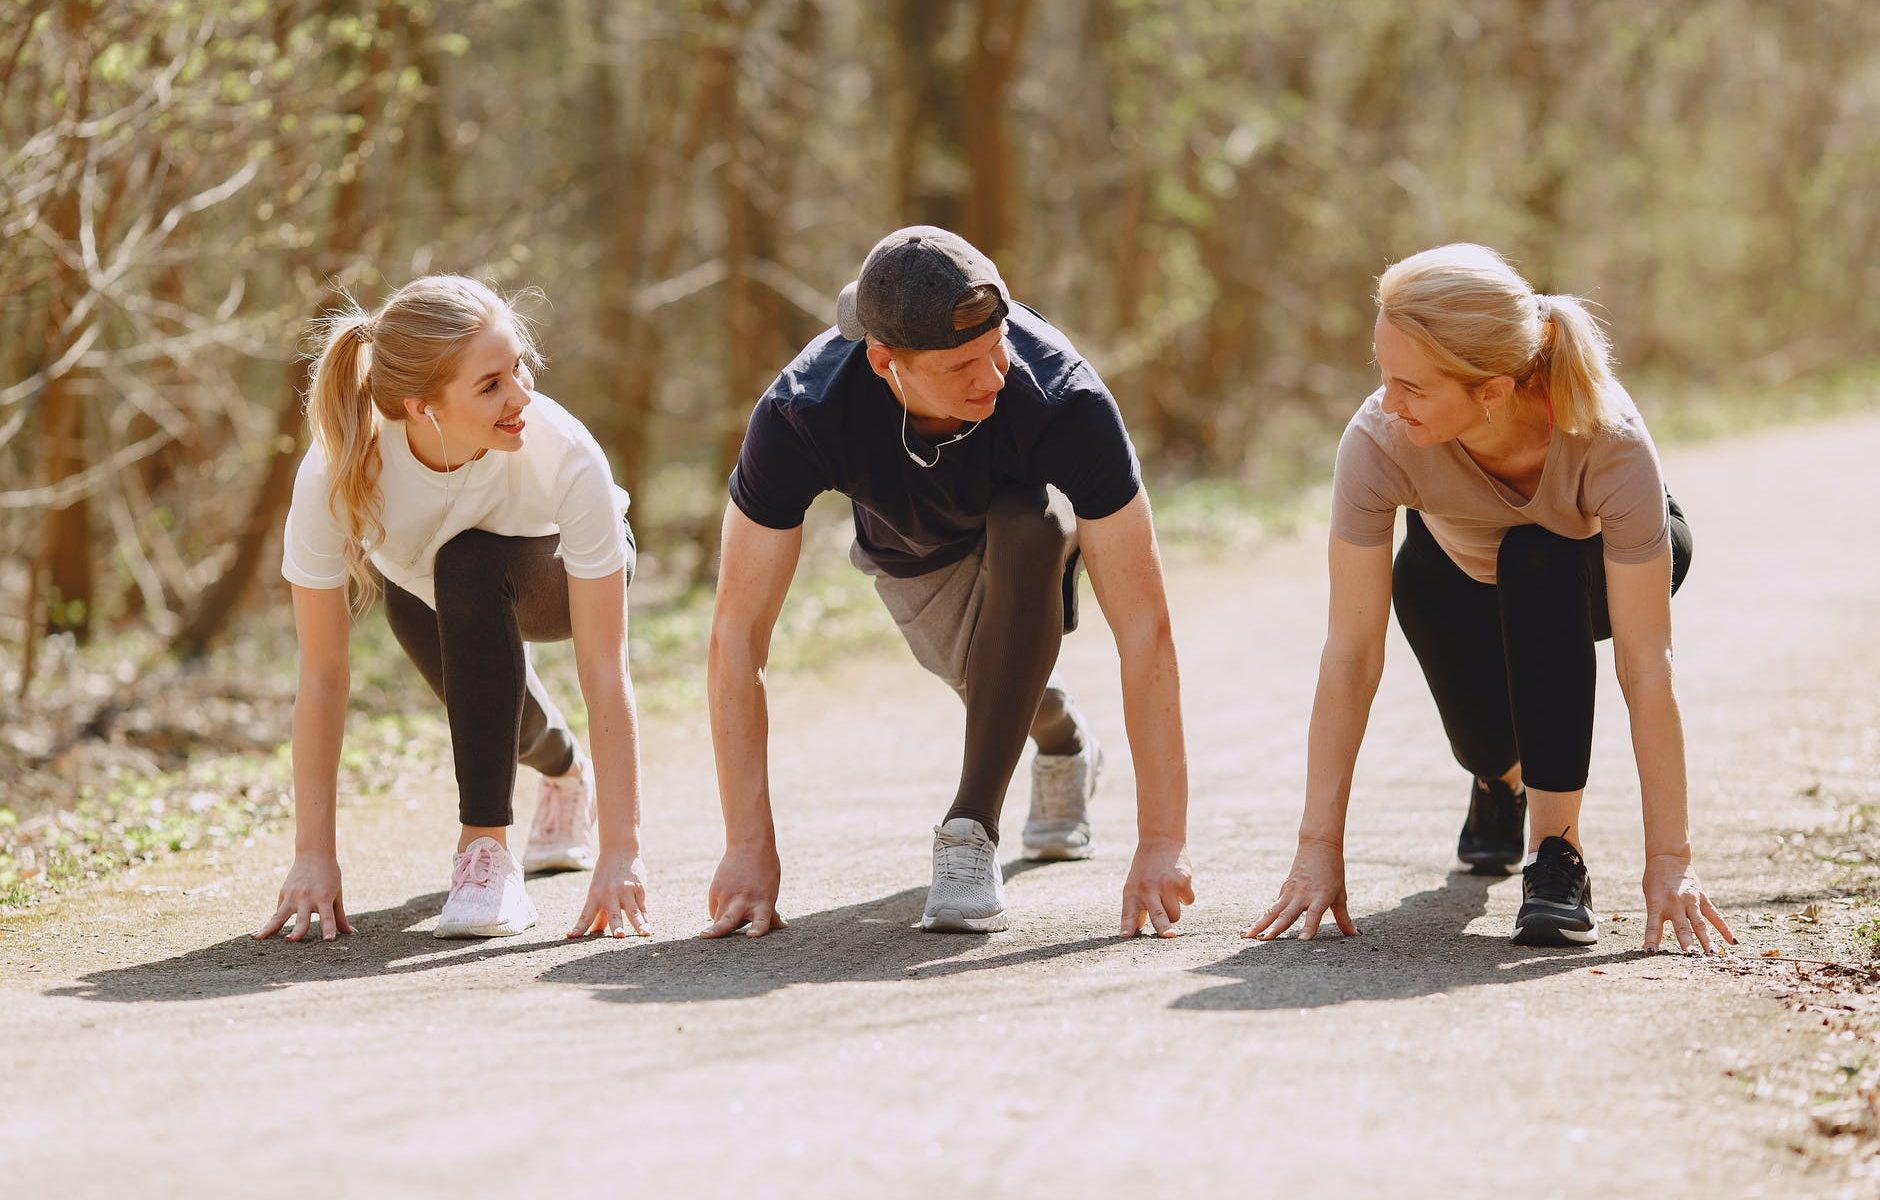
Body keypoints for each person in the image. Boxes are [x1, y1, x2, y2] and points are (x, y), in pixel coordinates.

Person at [700, 226, 1194, 938]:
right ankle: (1065, 744)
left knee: (1030, 522)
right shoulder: (803, 413)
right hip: (914, 558)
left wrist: (1161, 843)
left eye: (998, 349)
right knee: (1005, 692)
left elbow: (1147, 627)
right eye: (962, 364)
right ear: (883, 361)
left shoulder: (1063, 396)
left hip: (1025, 531)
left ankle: (968, 835)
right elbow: (736, 636)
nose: (992, 376)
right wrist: (747, 849)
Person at [1246, 244, 1736, 954]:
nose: (1388, 400)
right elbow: (1350, 653)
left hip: (1590, 564)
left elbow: (1645, 664)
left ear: (1493, 392)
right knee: (1483, 742)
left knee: (1537, 557)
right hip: (1452, 567)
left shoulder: (1606, 438)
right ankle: (1500, 783)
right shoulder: (1380, 440)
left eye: (1412, 386)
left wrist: (1672, 862)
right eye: (1384, 374)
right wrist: (1317, 846)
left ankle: (1555, 857)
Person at [253, 275, 651, 943]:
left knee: (468, 563)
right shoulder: (338, 471)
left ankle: (485, 859)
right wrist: (313, 855)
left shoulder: (563, 450)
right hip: (431, 592)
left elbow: (606, 670)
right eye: (490, 384)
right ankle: (564, 773)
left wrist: (622, 853)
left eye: (518, 366)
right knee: (491, 709)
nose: (522, 394)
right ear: (421, 407)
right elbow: (321, 678)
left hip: (558, 573)